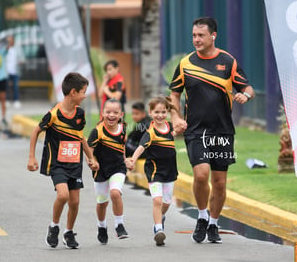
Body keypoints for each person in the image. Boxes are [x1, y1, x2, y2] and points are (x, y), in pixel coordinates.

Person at [169, 17, 255, 244]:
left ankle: (214, 224)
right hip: (196, 130)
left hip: (222, 131)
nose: (196, 39)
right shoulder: (185, 63)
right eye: (194, 35)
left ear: (213, 36)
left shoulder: (228, 62)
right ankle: (201, 216)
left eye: (201, 35)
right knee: (201, 174)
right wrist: (176, 116)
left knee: (219, 182)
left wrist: (244, 95)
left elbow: (247, 87)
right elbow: (175, 93)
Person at [27, 72, 98, 249]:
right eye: (83, 92)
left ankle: (68, 232)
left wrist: (91, 158)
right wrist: (31, 157)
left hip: (75, 164)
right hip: (57, 163)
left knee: (75, 201)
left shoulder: (80, 114)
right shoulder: (53, 114)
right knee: (63, 195)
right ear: (73, 92)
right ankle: (54, 226)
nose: (84, 96)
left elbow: (80, 137)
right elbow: (36, 131)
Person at [125, 96, 178, 246]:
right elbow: (141, 147)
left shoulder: (170, 127)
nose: (160, 115)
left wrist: (175, 111)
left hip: (170, 172)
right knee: (157, 200)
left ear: (167, 112)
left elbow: (181, 126)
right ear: (150, 112)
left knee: (166, 204)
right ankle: (158, 229)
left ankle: (160, 218)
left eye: (163, 111)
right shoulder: (150, 132)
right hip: (154, 172)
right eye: (156, 112)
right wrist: (133, 160)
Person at [87, 99, 129, 245]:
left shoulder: (123, 129)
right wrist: (93, 162)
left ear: (121, 114)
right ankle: (102, 226)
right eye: (108, 112)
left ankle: (119, 224)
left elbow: (122, 147)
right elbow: (89, 152)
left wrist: (126, 160)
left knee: (115, 192)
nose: (111, 115)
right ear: (102, 113)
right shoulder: (97, 132)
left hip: (118, 167)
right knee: (102, 203)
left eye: (115, 112)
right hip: (101, 170)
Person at [6, 35, 21, 109]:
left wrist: (20, 61)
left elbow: (22, 58)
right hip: (6, 71)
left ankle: (16, 100)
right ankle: (7, 100)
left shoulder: (17, 49)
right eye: (8, 41)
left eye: (11, 40)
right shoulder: (5, 49)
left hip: (15, 71)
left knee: (15, 87)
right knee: (7, 86)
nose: (9, 42)